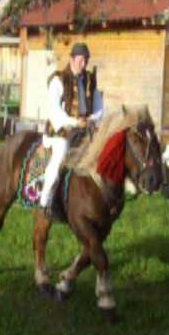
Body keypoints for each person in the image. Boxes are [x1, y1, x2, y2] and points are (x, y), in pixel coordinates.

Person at [40, 42, 104, 215]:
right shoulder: (59, 79)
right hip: (60, 131)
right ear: (72, 59)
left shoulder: (90, 80)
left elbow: (99, 108)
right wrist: (75, 122)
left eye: (86, 61)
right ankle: (45, 201)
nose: (84, 65)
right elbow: (54, 111)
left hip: (84, 130)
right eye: (81, 60)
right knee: (61, 154)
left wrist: (90, 120)